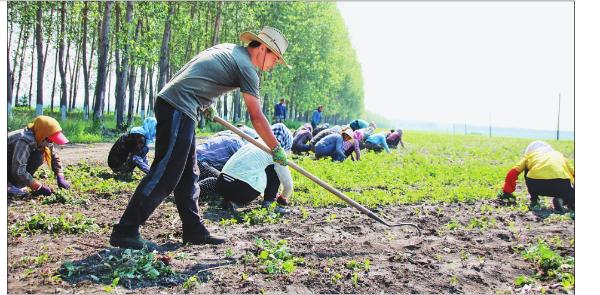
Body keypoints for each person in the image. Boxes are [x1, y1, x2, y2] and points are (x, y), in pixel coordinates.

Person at [109, 26, 292, 250]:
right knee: (166, 173)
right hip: (180, 107)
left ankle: (193, 229)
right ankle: (126, 230)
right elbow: (256, 116)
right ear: (263, 48)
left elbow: (198, 74)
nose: (273, 65)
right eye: (275, 58)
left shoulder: (230, 50)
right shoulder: (247, 68)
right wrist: (275, 147)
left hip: (179, 104)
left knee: (188, 174)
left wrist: (205, 105)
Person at [209, 123, 294, 210]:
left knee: (260, 166)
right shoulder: (278, 154)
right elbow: (288, 185)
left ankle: (230, 200)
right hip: (241, 189)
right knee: (275, 169)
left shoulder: (253, 143)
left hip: (221, 184)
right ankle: (269, 201)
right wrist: (283, 198)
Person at [498, 141, 574, 212]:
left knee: (528, 169)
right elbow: (573, 173)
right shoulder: (559, 155)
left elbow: (512, 173)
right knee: (571, 194)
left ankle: (534, 199)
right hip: (560, 186)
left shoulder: (530, 156)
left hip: (536, 186)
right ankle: (565, 200)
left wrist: (506, 192)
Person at [7, 116, 70, 197]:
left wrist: (60, 176)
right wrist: (38, 186)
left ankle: (17, 184)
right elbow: (18, 170)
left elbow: (54, 156)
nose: (51, 143)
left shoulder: (42, 137)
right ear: (43, 134)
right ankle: (9, 185)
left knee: (38, 156)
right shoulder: (25, 141)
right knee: (37, 158)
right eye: (50, 140)